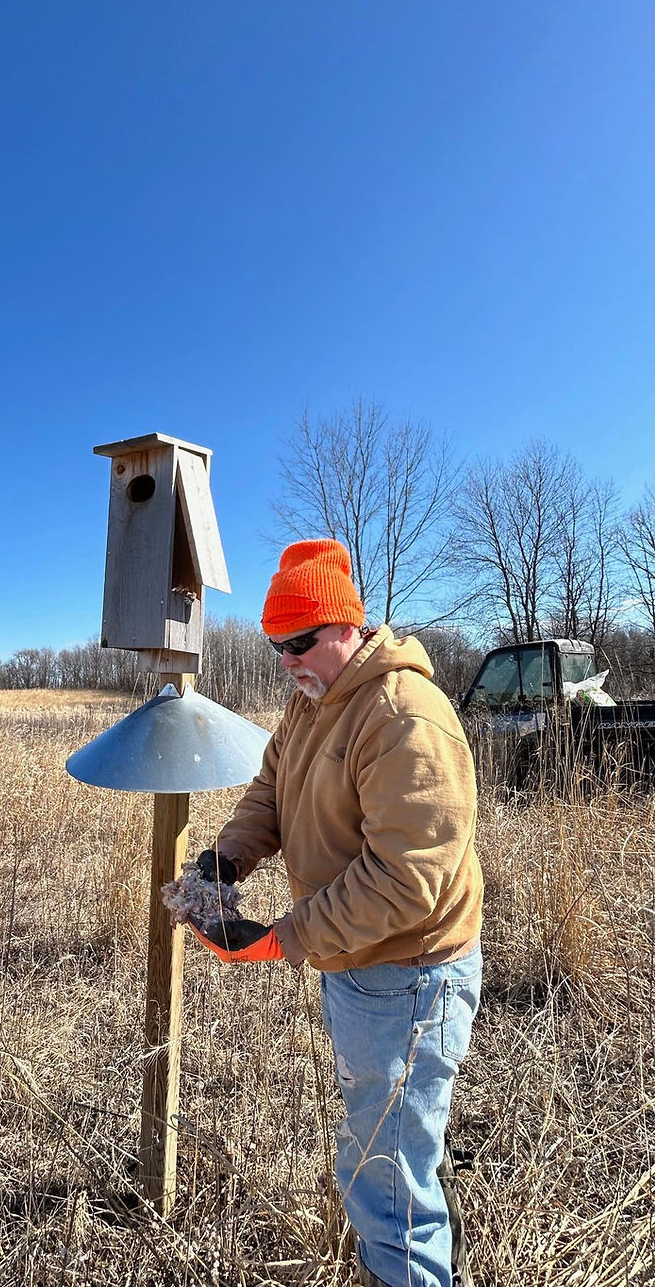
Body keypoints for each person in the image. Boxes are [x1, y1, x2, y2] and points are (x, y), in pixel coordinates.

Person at [196, 539, 483, 1287]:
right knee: (394, 1148)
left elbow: (403, 879)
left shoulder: (403, 716)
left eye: (299, 642)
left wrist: (285, 936)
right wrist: (227, 857)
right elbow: (270, 787)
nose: (286, 660)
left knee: (384, 1176)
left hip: (411, 976)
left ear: (346, 627)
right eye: (275, 646)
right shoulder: (310, 703)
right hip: (355, 962)